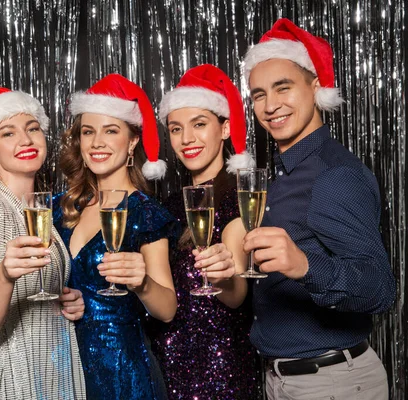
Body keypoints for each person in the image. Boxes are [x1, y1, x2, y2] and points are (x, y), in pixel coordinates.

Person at [242, 18, 396, 399]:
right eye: (259, 94)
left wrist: (305, 265)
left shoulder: (334, 174)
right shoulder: (280, 173)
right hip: (283, 379)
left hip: (332, 381)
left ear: (315, 87)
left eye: (283, 88)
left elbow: (381, 289)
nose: (270, 105)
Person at [54, 73, 177, 399]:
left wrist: (142, 283)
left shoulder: (145, 212)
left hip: (122, 372)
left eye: (111, 131)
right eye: (88, 132)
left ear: (133, 141)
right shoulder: (61, 208)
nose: (97, 142)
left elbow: (167, 309)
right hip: (63, 366)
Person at [0, 87, 86, 400]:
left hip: (53, 367)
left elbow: (38, 293)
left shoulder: (40, 210)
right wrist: (4, 275)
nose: (25, 140)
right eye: (8, 133)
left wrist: (65, 299)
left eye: (32, 129)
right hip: (14, 376)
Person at [146, 64, 261, 399]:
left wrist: (224, 275)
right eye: (176, 128)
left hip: (220, 371)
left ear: (225, 128)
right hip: (167, 365)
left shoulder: (239, 198)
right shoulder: (166, 207)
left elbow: (237, 292)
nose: (187, 139)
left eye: (200, 125)